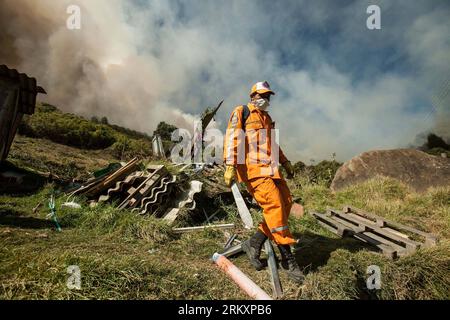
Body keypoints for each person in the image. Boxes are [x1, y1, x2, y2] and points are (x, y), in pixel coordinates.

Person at [223, 81, 304, 283]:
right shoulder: (242, 112)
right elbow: (233, 137)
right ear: (253, 96)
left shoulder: (267, 119)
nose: (266, 99)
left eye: (268, 96)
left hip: (272, 170)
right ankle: (287, 258)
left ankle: (254, 242)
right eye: (263, 95)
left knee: (285, 203)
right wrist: (230, 165)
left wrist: (285, 162)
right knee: (275, 206)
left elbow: (273, 145)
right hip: (254, 171)